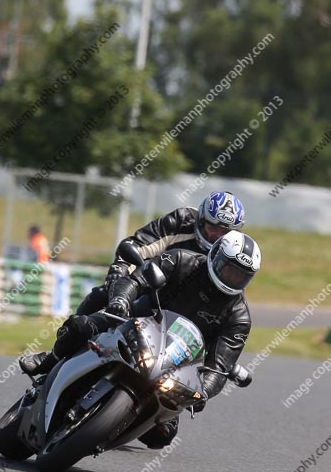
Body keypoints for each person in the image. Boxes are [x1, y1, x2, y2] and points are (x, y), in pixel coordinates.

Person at [20, 230, 261, 448]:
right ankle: (50, 360)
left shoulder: (238, 317)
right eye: (228, 269)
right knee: (79, 326)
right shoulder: (180, 260)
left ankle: (106, 429)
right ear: (215, 256)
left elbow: (219, 368)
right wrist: (121, 300)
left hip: (175, 364)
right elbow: (136, 280)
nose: (232, 278)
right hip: (134, 323)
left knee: (162, 435)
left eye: (240, 276)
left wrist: (203, 392)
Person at [76, 190, 245, 314]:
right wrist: (118, 272)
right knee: (101, 296)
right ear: (201, 220)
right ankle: (57, 356)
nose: (217, 235)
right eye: (212, 227)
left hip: (189, 311)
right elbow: (135, 245)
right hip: (149, 291)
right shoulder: (181, 221)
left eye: (224, 231)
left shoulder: (235, 250)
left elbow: (233, 288)